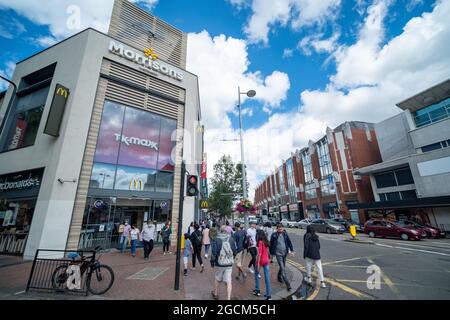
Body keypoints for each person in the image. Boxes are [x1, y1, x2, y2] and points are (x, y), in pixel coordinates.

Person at [210, 225, 237, 300]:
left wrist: (212, 262)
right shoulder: (231, 239)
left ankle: (215, 293)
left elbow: (214, 252)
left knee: (217, 278)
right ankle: (228, 298)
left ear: (220, 230)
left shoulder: (216, 239)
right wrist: (232, 257)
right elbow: (235, 251)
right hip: (229, 263)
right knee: (228, 280)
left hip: (219, 262)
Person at [270, 223, 294, 290]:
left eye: (281, 228)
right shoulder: (274, 235)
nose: (280, 229)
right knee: (283, 268)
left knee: (282, 266)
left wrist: (292, 250)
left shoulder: (285, 234)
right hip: (278, 254)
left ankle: (278, 276)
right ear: (277, 229)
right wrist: (271, 254)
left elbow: (289, 242)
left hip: (285, 253)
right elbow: (271, 245)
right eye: (279, 228)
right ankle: (288, 284)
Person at [253, 230, 271, 300]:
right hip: (266, 260)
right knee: (267, 278)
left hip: (261, 260)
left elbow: (259, 254)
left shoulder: (260, 242)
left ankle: (257, 290)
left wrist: (257, 264)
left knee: (256, 274)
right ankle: (268, 295)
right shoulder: (266, 242)